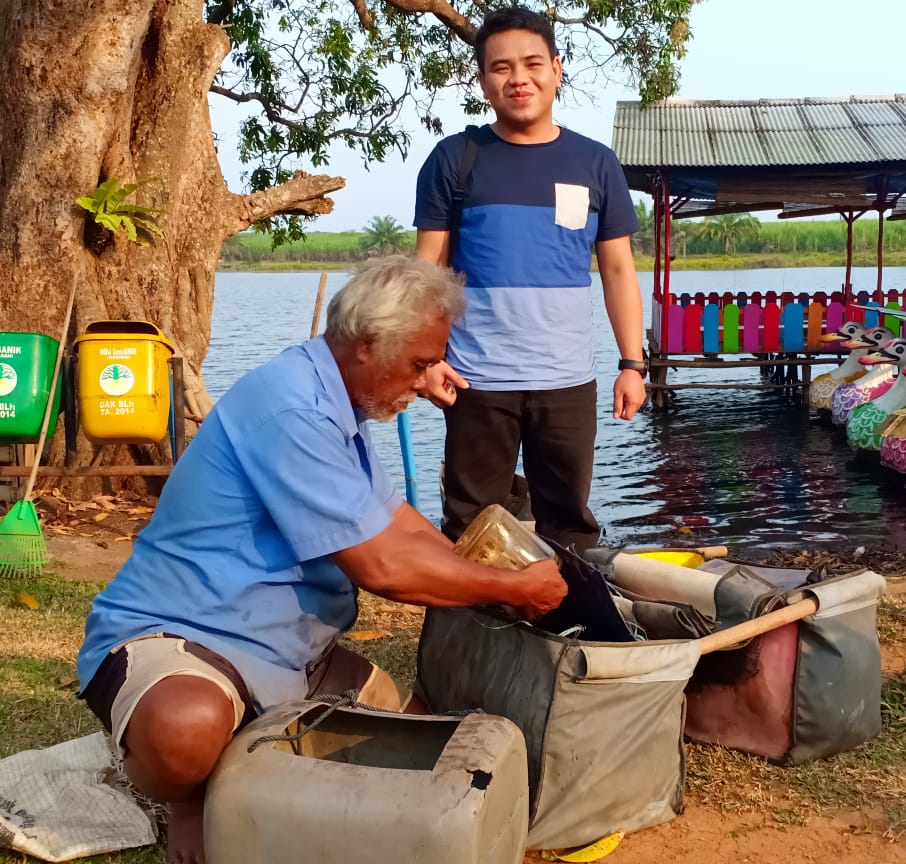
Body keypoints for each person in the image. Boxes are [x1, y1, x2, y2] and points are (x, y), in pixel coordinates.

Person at [75, 255, 567, 864]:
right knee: (187, 729)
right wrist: (510, 589)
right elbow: (382, 568)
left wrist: (483, 570)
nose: (425, 381)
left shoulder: (341, 409)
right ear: (367, 345)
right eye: (419, 364)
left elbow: (398, 523)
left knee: (429, 749)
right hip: (186, 635)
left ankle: (256, 735)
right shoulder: (292, 406)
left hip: (294, 654)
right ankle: (189, 803)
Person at [414, 6, 646, 553]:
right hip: (475, 381)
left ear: (557, 70)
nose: (518, 78)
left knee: (569, 526)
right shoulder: (456, 159)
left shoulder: (595, 162)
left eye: (532, 63)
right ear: (483, 80)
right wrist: (423, 360)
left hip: (566, 382)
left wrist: (632, 364)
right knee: (472, 529)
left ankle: (569, 630)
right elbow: (427, 270)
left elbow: (617, 270)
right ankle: (473, 636)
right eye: (501, 67)